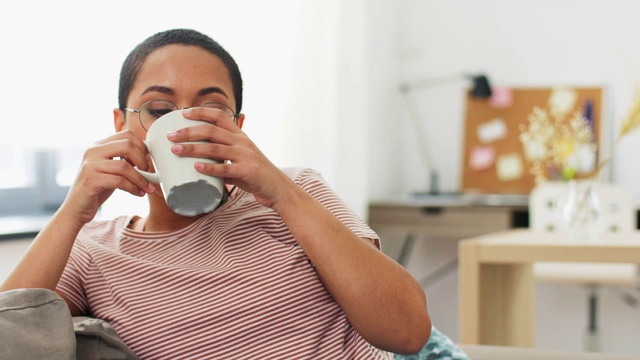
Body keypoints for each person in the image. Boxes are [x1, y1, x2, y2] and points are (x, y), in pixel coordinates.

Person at [0, 28, 430, 359]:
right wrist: (72, 212)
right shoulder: (93, 250)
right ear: (121, 123)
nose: (183, 130)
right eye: (159, 111)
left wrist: (279, 191)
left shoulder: (296, 190)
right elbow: (7, 338)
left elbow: (408, 331)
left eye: (210, 111)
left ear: (237, 127)